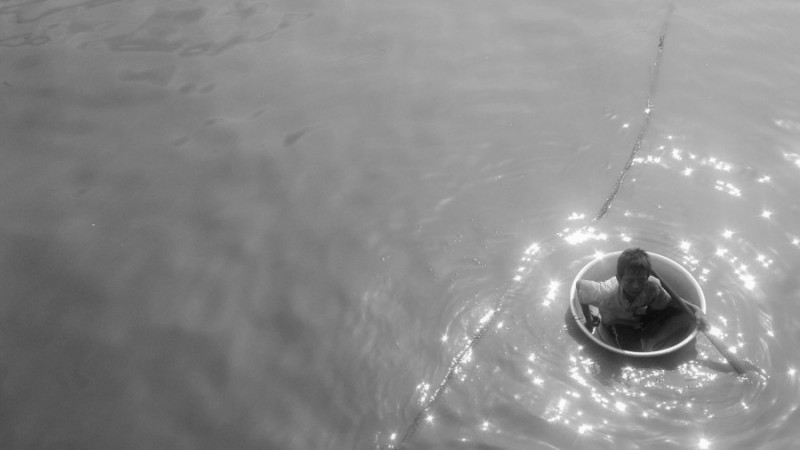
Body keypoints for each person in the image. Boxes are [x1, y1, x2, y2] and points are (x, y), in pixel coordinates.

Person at [576, 248, 707, 351]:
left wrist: (697, 310)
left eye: (641, 280)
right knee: (632, 350)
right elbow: (580, 286)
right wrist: (589, 319)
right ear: (619, 278)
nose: (636, 286)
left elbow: (674, 301)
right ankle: (647, 341)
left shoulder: (652, 285)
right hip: (619, 322)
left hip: (641, 313)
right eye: (630, 281)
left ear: (647, 277)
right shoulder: (605, 292)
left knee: (687, 316)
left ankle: (652, 341)